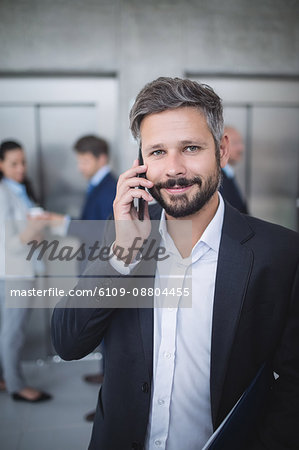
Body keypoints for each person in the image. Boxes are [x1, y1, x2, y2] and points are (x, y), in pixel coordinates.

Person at [51, 78, 299, 449]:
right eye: (157, 153)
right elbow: (68, 342)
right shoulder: (122, 234)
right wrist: (122, 255)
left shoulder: (279, 252)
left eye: (191, 147)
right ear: (140, 164)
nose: (174, 168)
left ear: (222, 150)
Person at [0, 140, 52, 403]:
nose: (21, 168)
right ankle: (16, 385)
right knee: (13, 331)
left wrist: (37, 231)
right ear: (1, 164)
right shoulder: (2, 192)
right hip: (14, 272)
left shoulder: (21, 189)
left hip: (23, 269)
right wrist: (33, 231)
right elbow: (9, 242)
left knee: (8, 329)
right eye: (13, 163)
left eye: (23, 162)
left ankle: (5, 377)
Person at [219, 125, 248, 214]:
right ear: (222, 147)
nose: (241, 148)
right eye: (235, 143)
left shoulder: (228, 174)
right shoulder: (217, 179)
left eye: (241, 142)